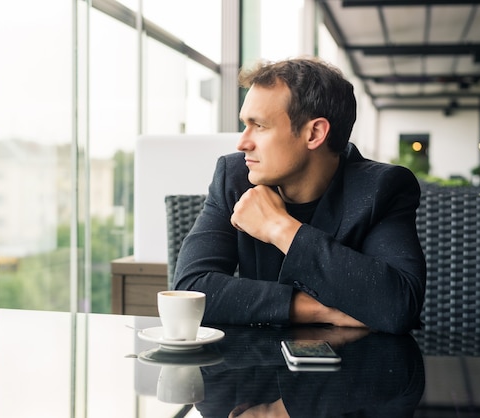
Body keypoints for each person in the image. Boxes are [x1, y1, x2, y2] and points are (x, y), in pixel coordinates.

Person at [172, 56, 426, 334]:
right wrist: (320, 310)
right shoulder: (233, 177)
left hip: (356, 369)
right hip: (257, 367)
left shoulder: (381, 188)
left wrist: (280, 229)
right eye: (245, 124)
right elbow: (190, 291)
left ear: (314, 133)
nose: (242, 142)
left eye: (259, 126)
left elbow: (400, 305)